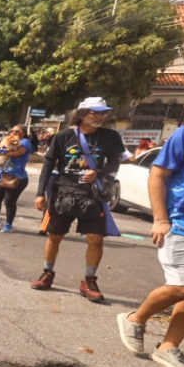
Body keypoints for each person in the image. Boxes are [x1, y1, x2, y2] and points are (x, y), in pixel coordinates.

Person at [31, 97, 125, 301]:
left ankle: (89, 280)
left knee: (95, 239)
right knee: (54, 237)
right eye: (96, 113)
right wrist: (40, 194)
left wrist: (97, 174)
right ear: (82, 114)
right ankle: (47, 273)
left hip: (92, 195)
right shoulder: (63, 136)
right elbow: (48, 165)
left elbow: (114, 165)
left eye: (103, 113)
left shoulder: (111, 137)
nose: (101, 117)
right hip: (64, 192)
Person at [118, 123, 184, 367]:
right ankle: (135, 319)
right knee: (182, 287)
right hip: (181, 223)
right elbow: (157, 174)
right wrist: (160, 219)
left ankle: (168, 347)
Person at [0, 126, 31, 232]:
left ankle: (9, 225)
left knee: (9, 201)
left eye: (17, 131)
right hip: (2, 175)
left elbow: (17, 153)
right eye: (12, 131)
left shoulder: (25, 142)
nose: (13, 133)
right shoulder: (5, 140)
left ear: (23, 133)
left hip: (17, 177)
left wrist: (0, 151)